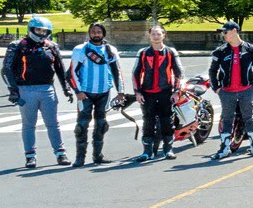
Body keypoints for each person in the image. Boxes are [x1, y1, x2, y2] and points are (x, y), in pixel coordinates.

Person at [2, 16, 71, 168]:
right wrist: (13, 90)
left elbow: (60, 69)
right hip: (26, 89)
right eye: (38, 30)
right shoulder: (17, 46)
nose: (41, 33)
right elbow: (6, 69)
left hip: (47, 89)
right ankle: (30, 155)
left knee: (53, 123)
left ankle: (60, 153)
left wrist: (66, 88)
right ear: (31, 29)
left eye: (44, 30)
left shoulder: (52, 46)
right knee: (28, 124)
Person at [207, 21, 253, 160]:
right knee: (226, 119)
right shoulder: (220, 51)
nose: (223, 35)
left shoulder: (250, 49)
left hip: (246, 90)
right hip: (226, 91)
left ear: (234, 31)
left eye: (225, 32)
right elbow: (212, 71)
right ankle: (224, 148)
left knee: (248, 118)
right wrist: (216, 88)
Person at [68, 23, 122, 166]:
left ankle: (97, 156)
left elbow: (117, 72)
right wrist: (78, 91)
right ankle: (80, 158)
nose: (96, 34)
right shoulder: (81, 50)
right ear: (89, 33)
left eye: (99, 32)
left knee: (101, 125)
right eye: (93, 32)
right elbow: (71, 73)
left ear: (103, 33)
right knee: (81, 126)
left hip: (104, 93)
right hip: (85, 94)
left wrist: (120, 92)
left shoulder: (110, 50)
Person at [132, 25, 185, 161]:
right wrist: (137, 92)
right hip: (147, 93)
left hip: (165, 92)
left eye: (158, 34)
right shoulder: (143, 53)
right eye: (153, 34)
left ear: (163, 35)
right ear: (149, 36)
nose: (156, 37)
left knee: (167, 121)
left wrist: (176, 91)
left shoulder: (170, 52)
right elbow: (135, 73)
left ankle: (168, 149)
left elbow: (178, 73)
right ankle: (147, 152)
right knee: (148, 122)